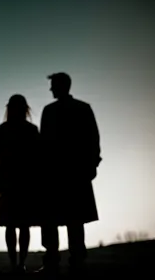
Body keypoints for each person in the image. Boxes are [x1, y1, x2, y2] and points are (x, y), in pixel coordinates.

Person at [39, 72, 102, 272]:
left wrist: (91, 165)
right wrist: (91, 165)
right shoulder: (80, 109)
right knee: (69, 219)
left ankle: (59, 260)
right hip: (66, 174)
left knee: (65, 219)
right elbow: (93, 140)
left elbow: (93, 140)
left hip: (65, 174)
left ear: (62, 86)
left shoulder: (54, 111)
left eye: (53, 86)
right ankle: (69, 259)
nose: (51, 89)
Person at [0, 94, 40, 273]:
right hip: (24, 182)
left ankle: (16, 263)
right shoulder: (31, 129)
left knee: (12, 225)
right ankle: (20, 263)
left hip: (12, 181)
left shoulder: (4, 129)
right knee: (22, 225)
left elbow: (0, 157)